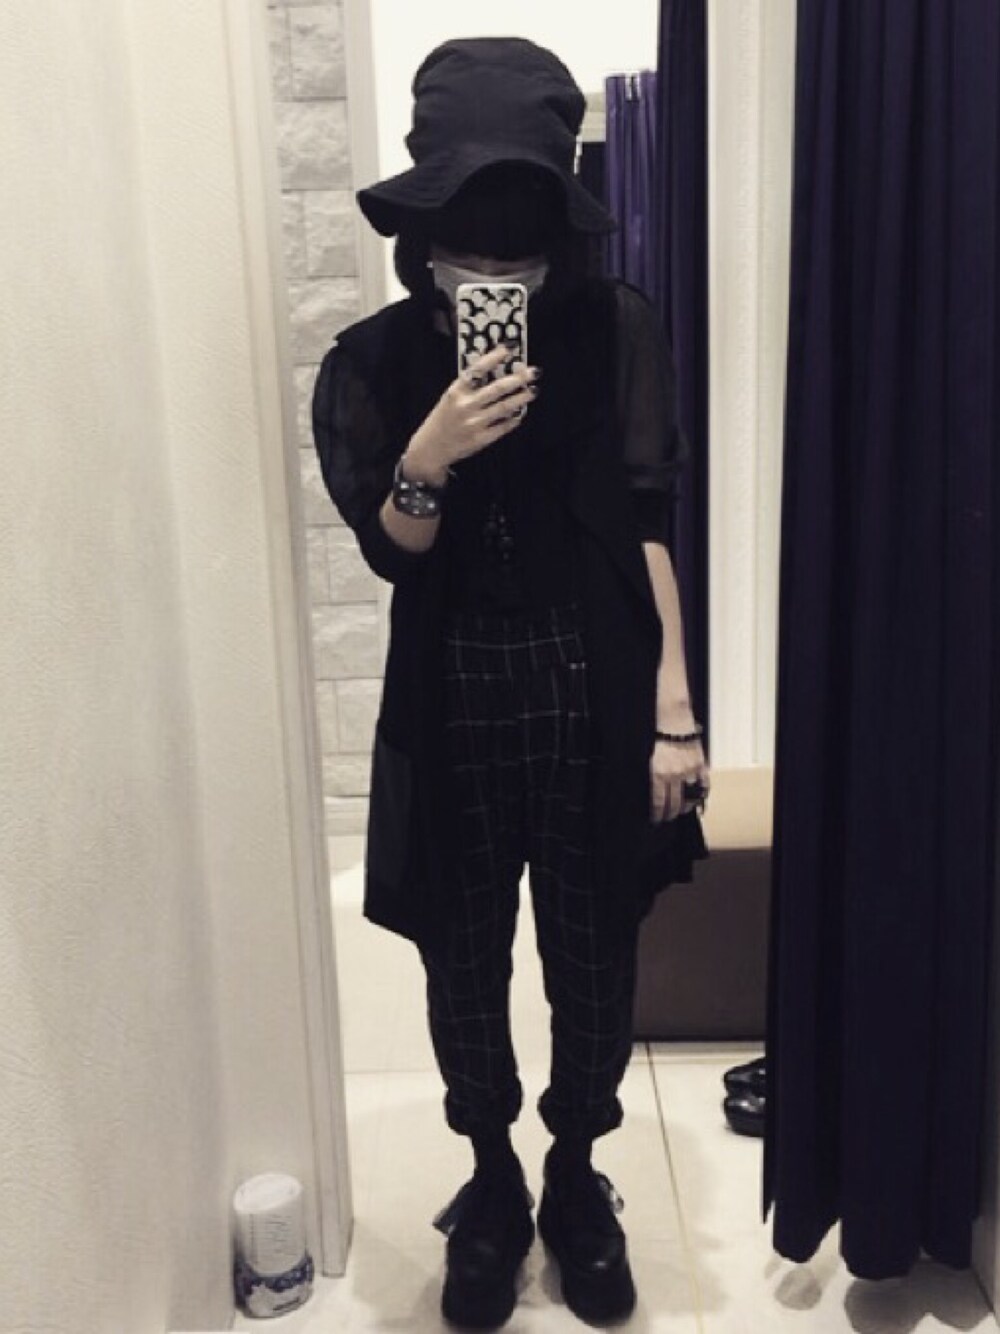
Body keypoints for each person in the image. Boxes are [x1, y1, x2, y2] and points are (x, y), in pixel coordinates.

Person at [312, 36, 711, 1329]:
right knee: (462, 958)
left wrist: (675, 712)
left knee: (595, 957)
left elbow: (648, 524)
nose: (494, 280)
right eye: (467, 255)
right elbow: (392, 550)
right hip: (453, 698)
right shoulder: (373, 366)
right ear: (422, 244)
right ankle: (490, 1176)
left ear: (556, 245)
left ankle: (577, 1173)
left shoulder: (614, 332)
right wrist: (429, 453)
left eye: (519, 258)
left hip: (596, 689)